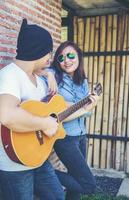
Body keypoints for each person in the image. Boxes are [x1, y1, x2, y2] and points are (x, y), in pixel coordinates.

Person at [0, 19, 65, 200]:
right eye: (48, 53)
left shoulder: (39, 79)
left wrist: (47, 73)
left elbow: (46, 111)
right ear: (38, 51)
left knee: (57, 196)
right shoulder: (9, 76)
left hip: (38, 158)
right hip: (15, 167)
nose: (49, 59)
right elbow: (7, 115)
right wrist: (45, 123)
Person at [42, 41, 100, 200]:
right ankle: (40, 174)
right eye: (61, 58)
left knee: (76, 184)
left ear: (78, 56)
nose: (66, 60)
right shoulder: (54, 75)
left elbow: (85, 113)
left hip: (81, 134)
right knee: (88, 185)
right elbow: (35, 69)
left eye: (71, 55)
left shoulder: (83, 81)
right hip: (64, 138)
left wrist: (90, 106)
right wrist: (48, 74)